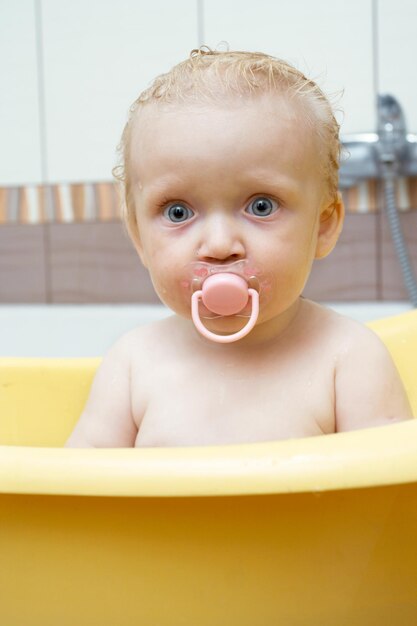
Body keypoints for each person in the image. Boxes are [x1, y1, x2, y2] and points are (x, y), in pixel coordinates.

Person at [65, 48, 412, 448]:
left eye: (261, 206)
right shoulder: (131, 365)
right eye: (178, 212)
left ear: (323, 225)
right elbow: (79, 488)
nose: (218, 246)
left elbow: (393, 490)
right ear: (139, 238)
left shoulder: (349, 358)